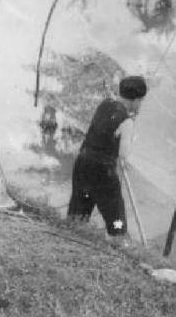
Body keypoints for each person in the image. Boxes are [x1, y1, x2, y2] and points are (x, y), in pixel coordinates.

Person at [67, 75, 147, 237]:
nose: (141, 105)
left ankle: (71, 237)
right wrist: (130, 131)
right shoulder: (127, 122)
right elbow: (124, 154)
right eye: (141, 101)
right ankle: (120, 242)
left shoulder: (104, 105)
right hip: (102, 172)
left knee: (79, 210)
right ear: (135, 100)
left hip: (83, 164)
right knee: (116, 216)